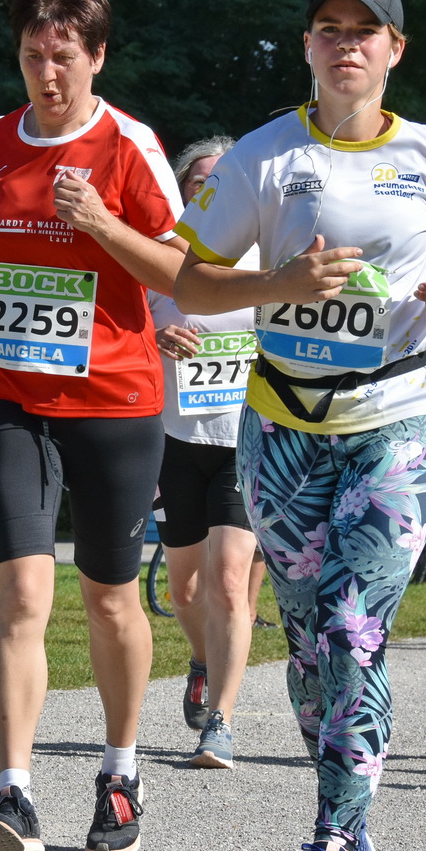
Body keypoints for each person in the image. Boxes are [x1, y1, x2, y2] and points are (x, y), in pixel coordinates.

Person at [174, 0, 426, 851]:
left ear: (394, 49)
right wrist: (280, 285)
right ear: (307, 47)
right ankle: (346, 809)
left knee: (354, 625)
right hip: (280, 425)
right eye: (325, 27)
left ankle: (335, 841)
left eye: (363, 30)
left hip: (398, 416)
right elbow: (191, 282)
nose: (343, 44)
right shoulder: (263, 158)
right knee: (309, 642)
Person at [0, 0, 187, 851]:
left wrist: (104, 224)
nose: (48, 72)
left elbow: (180, 268)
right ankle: (14, 792)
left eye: (64, 55)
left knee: (109, 597)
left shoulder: (131, 146)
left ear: (97, 55)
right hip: (9, 390)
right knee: (20, 585)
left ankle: (119, 771)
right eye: (33, 55)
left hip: (114, 394)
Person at [147, 135, 268, 770]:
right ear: (184, 190)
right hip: (171, 439)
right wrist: (154, 335)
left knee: (229, 583)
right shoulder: (163, 258)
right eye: (199, 183)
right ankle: (202, 657)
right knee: (186, 589)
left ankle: (219, 720)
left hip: (243, 440)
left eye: (222, 182)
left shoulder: (264, 258)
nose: (210, 191)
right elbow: (121, 329)